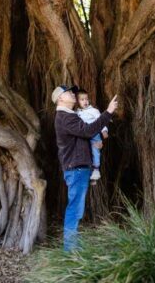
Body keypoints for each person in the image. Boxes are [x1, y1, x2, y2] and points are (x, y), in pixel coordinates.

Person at [52, 84, 118, 250]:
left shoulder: (69, 116)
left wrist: (95, 143)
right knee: (75, 208)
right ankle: (70, 250)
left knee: (77, 208)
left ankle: (72, 247)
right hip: (76, 168)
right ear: (60, 98)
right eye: (69, 93)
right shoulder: (65, 117)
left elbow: (84, 135)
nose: (73, 95)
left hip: (78, 167)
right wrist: (108, 112)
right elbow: (88, 130)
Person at [75, 88, 108, 183]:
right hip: (83, 137)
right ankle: (88, 174)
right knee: (84, 153)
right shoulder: (76, 113)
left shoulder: (94, 111)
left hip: (94, 135)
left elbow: (101, 121)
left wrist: (104, 131)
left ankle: (96, 170)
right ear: (78, 101)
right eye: (82, 99)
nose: (85, 101)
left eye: (86, 99)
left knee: (95, 151)